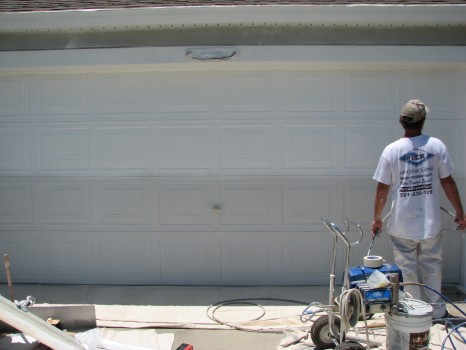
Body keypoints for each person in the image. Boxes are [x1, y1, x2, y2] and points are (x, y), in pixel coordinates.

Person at [371, 99, 466, 319]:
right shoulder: (436, 146)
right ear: (423, 121)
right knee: (432, 267)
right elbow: (448, 182)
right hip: (429, 224)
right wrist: (460, 213)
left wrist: (377, 219)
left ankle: (415, 313)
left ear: (401, 121)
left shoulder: (391, 150)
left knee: (406, 271)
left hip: (401, 225)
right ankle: (437, 312)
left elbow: (382, 188)